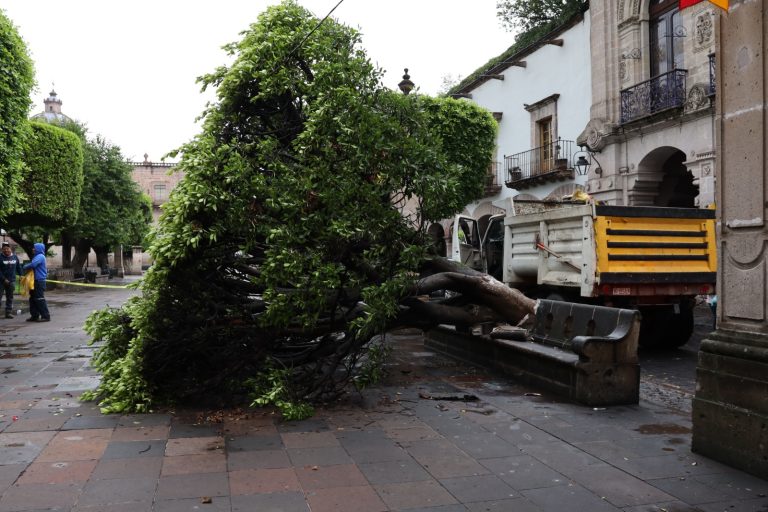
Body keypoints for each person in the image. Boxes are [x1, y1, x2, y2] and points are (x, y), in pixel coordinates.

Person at [22, 242, 50, 322]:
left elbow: (33, 265)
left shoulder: (40, 256)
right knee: (33, 299)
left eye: (34, 248)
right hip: (34, 281)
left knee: (39, 298)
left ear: (39, 249)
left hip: (39, 281)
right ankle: (34, 315)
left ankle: (45, 316)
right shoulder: (37, 256)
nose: (33, 249)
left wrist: (25, 266)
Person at [0, 242, 22, 318]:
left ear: (10, 249)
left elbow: (18, 267)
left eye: (7, 249)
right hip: (1, 281)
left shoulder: (15, 257)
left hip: (11, 281)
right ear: (2, 250)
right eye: (4, 249)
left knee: (10, 297)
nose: (6, 250)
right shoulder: (0, 257)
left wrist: (21, 275)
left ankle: (8, 313)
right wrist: (4, 279)